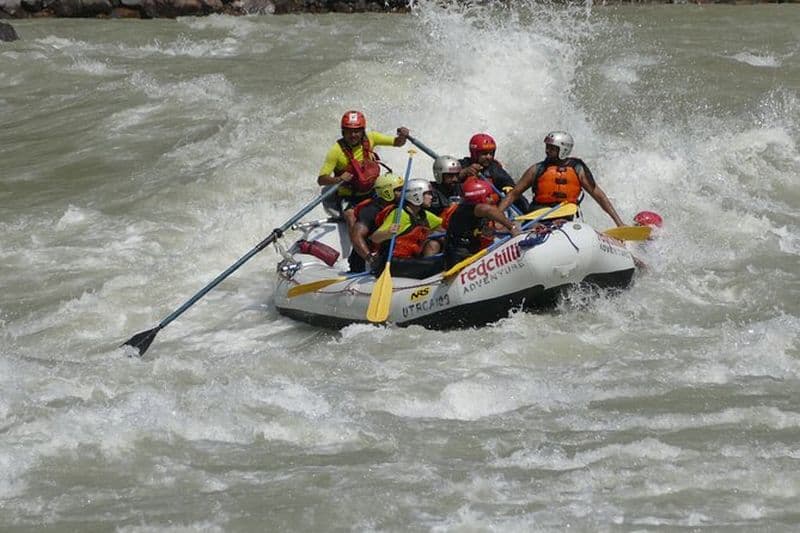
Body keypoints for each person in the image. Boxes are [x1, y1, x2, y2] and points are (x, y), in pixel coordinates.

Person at [498, 131, 625, 227]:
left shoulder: (577, 169)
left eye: (552, 148)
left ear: (563, 149)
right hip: (537, 216)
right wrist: (497, 217)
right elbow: (513, 194)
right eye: (547, 147)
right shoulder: (536, 169)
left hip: (564, 217)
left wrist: (618, 222)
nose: (547, 151)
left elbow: (598, 195)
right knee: (535, 227)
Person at [317, 110, 410, 226]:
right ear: (343, 132)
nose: (353, 135)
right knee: (350, 216)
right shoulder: (336, 151)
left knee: (399, 197)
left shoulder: (371, 138)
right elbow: (321, 180)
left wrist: (402, 136)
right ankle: (354, 236)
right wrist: (339, 179)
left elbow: (397, 143)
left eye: (357, 131)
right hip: (349, 196)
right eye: (349, 131)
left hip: (373, 191)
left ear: (362, 131)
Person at [370, 179, 444, 279]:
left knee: (442, 258)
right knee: (437, 264)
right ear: (416, 195)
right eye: (428, 194)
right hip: (392, 262)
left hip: (410, 259)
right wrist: (388, 233)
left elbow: (444, 227)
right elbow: (375, 238)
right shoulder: (399, 214)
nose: (431, 197)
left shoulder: (423, 215)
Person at [444, 178, 520, 269]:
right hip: (459, 255)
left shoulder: (471, 210)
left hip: (469, 249)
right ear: (479, 198)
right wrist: (512, 227)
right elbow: (488, 210)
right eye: (488, 196)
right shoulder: (473, 209)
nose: (491, 199)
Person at [458, 133, 529, 214]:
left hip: (489, 213)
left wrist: (528, 212)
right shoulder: (462, 165)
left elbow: (514, 193)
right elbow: (448, 180)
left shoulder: (495, 170)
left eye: (491, 153)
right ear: (474, 154)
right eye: (484, 154)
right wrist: (464, 172)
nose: (489, 157)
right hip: (462, 211)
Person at [347, 173, 404, 273]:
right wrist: (370, 259)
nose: (403, 193)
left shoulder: (399, 207)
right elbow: (356, 236)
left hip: (387, 255)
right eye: (399, 190)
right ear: (387, 192)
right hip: (366, 262)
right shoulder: (371, 210)